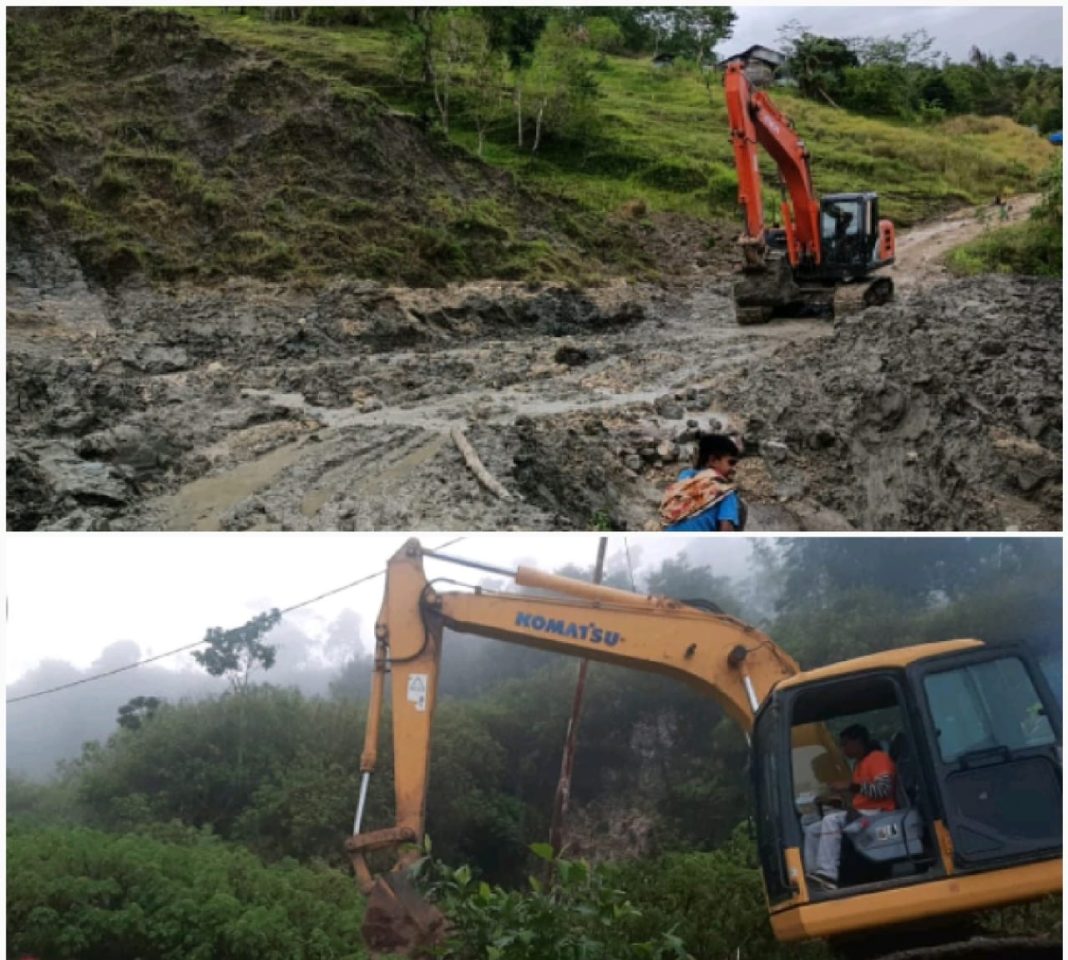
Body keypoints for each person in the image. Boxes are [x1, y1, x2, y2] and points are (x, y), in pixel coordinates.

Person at [803, 724, 897, 888]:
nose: (842, 748)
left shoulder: (877, 758)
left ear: (858, 741)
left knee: (831, 821)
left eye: (845, 744)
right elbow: (861, 795)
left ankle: (828, 874)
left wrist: (850, 786)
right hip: (863, 812)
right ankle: (813, 876)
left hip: (879, 815)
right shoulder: (860, 764)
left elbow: (884, 790)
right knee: (812, 830)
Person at [664, 433, 746, 531]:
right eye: (731, 463)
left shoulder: (686, 476)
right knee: (741, 506)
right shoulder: (725, 491)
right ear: (712, 460)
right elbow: (726, 531)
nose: (734, 469)